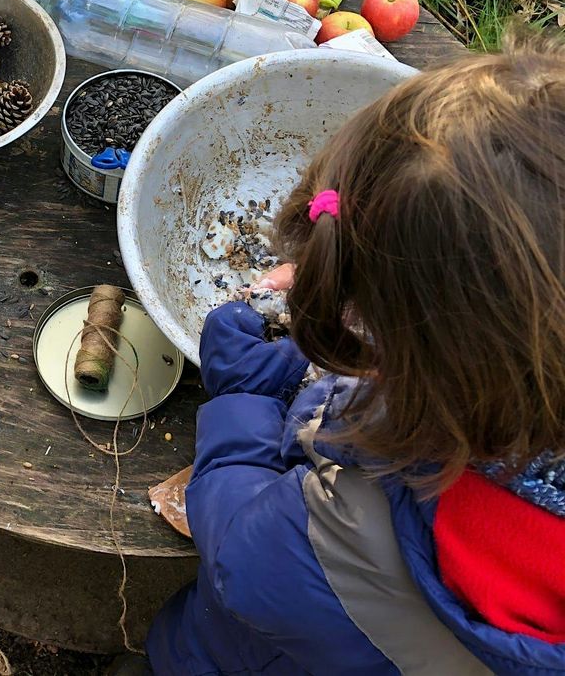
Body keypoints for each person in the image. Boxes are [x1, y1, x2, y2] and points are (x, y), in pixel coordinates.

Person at [145, 34, 565, 674]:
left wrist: (245, 397)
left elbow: (241, 553)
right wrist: (320, 369)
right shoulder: (520, 400)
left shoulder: (352, 533)